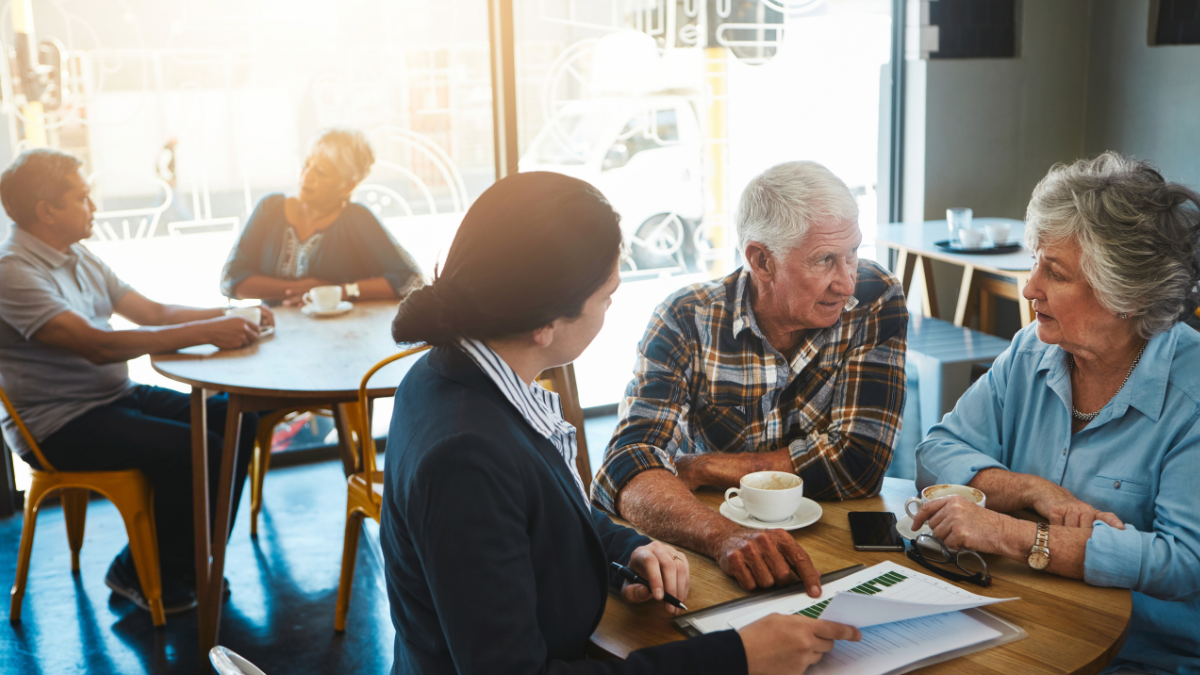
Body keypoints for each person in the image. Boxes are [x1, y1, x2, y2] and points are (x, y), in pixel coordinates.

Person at [381, 171, 862, 675]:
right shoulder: (467, 456)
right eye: (607, 297)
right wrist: (735, 658)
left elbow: (529, 520)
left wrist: (622, 548)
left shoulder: (448, 375)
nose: (610, 309)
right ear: (545, 324)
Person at [912, 153, 1200, 674]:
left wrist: (1015, 536)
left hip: (1143, 657)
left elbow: (1183, 564)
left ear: (1125, 296)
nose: (1029, 287)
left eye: (1056, 272)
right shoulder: (1032, 351)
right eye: (1035, 260)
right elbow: (934, 454)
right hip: (1024, 624)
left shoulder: (1192, 398)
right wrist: (1032, 490)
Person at [591, 161, 908, 592]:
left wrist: (701, 466)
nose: (847, 282)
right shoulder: (686, 318)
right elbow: (626, 468)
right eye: (825, 260)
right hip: (708, 541)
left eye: (852, 252)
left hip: (833, 546)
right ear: (762, 260)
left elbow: (861, 462)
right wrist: (722, 537)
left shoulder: (876, 296)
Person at [0, 148, 266, 615]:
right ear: (47, 211)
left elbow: (152, 313)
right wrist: (207, 332)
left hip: (111, 397)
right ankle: (139, 568)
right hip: (59, 423)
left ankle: (185, 561)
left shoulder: (75, 254)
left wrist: (230, 314)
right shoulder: (11, 272)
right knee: (195, 448)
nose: (93, 206)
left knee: (236, 414)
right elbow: (95, 344)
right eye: (82, 197)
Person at [221, 127, 422, 305]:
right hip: (276, 334)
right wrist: (307, 288)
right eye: (307, 164)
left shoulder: (357, 219)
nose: (307, 175)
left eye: (321, 172)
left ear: (348, 185)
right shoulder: (270, 208)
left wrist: (341, 291)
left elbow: (410, 280)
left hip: (343, 336)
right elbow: (231, 280)